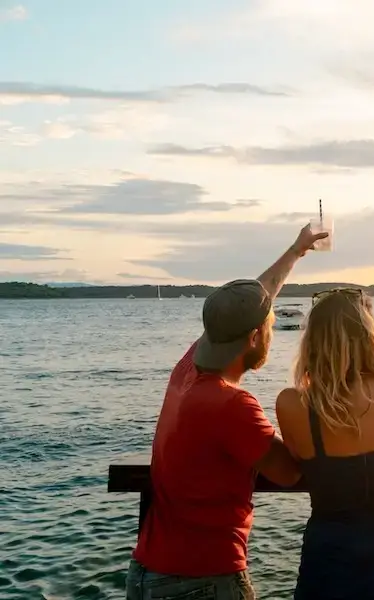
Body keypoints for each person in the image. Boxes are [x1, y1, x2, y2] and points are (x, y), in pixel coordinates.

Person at [126, 224, 328, 600]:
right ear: (254, 338)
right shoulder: (232, 405)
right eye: (267, 328)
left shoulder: (186, 368)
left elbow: (249, 299)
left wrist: (297, 251)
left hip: (146, 573)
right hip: (201, 580)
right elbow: (288, 470)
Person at [275, 218, 374, 600]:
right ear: (368, 334)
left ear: (313, 341)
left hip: (327, 569)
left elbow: (295, 461)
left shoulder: (294, 404)